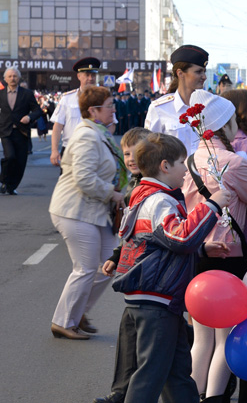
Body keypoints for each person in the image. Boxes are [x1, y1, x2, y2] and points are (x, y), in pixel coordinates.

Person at [111, 132, 232, 403]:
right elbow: (180, 238)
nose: (185, 172)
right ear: (165, 166)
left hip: (157, 299)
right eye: (181, 164)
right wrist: (212, 205)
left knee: (177, 372)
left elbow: (158, 244)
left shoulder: (144, 195)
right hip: (156, 299)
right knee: (151, 373)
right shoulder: (159, 200)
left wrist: (202, 249)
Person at [182, 90, 247, 402]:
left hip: (199, 254)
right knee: (225, 337)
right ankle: (213, 398)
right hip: (229, 256)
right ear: (224, 125)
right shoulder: (232, 162)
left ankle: (191, 395)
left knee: (201, 339)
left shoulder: (190, 160)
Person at [49, 86, 127, 340]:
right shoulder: (87, 135)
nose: (113, 109)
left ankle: (78, 312)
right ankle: (64, 321)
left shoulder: (98, 133)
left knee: (109, 264)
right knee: (85, 268)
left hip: (93, 212)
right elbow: (84, 178)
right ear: (93, 111)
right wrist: (113, 194)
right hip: (75, 210)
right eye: (109, 105)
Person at [95, 127, 152, 403]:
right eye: (126, 153)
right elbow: (129, 233)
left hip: (152, 273)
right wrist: (116, 256)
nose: (130, 159)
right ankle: (121, 391)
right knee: (132, 330)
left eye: (136, 153)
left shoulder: (154, 189)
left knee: (149, 335)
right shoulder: (134, 186)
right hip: (136, 271)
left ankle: (123, 393)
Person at [145, 44, 209, 156]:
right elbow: (149, 151)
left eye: (204, 71)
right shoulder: (159, 109)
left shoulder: (209, 105)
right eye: (199, 72)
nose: (204, 77)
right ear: (180, 73)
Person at [0, 67, 43, 195]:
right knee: (10, 156)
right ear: (5, 79)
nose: (12, 78)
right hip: (6, 132)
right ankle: (4, 180)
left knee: (20, 162)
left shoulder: (27, 94)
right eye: (10, 76)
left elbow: (38, 111)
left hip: (22, 132)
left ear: (18, 78)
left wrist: (29, 117)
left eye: (15, 76)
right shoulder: (1, 94)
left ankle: (11, 186)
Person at [50, 57, 100, 166]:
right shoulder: (67, 98)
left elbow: (111, 124)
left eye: (93, 75)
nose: (91, 78)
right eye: (87, 75)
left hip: (94, 150)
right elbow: (58, 126)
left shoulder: (103, 98)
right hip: (70, 150)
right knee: (67, 177)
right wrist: (54, 150)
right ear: (79, 76)